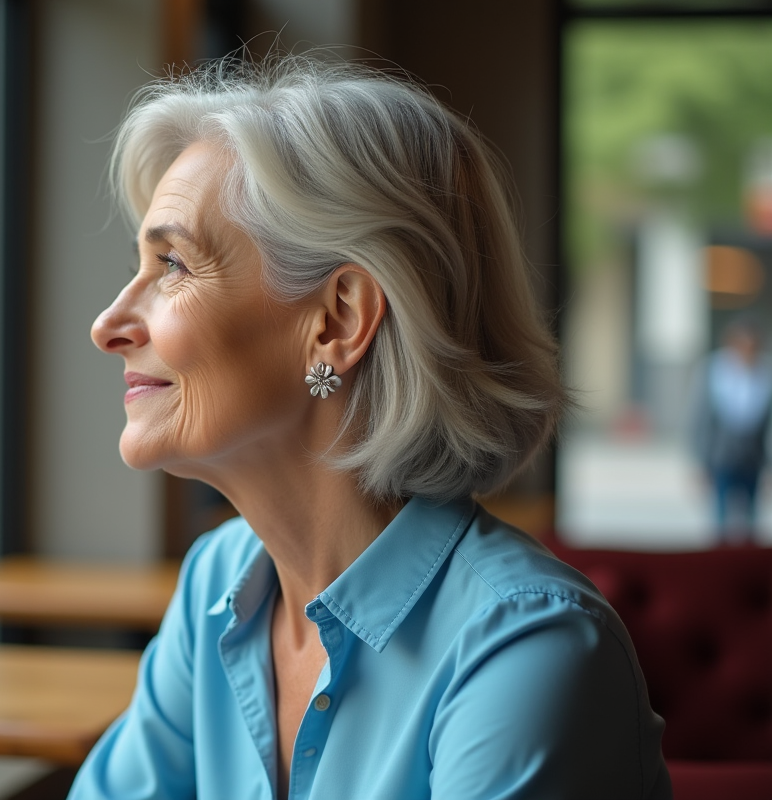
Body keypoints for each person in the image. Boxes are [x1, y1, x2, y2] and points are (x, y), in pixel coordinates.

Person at [75, 56, 670, 800]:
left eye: (172, 266)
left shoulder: (529, 650)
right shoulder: (218, 586)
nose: (108, 325)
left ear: (339, 320)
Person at [690, 319, 772, 543]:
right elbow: (700, 420)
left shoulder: (765, 372)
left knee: (751, 519)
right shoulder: (714, 371)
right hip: (721, 457)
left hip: (753, 458)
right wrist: (699, 461)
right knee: (720, 517)